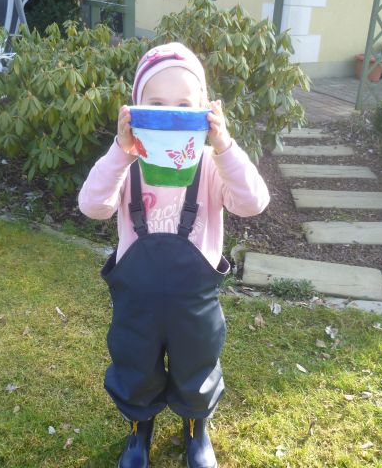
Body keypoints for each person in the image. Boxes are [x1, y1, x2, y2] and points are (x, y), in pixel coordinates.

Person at [78, 42, 270, 468]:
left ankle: (195, 430)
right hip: (137, 296)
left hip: (194, 298)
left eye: (184, 105)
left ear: (204, 110)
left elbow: (253, 202)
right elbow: (92, 206)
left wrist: (224, 146)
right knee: (135, 364)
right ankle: (138, 429)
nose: (170, 115)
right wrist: (119, 151)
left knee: (196, 364)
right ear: (135, 109)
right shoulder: (128, 164)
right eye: (156, 104)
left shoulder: (212, 165)